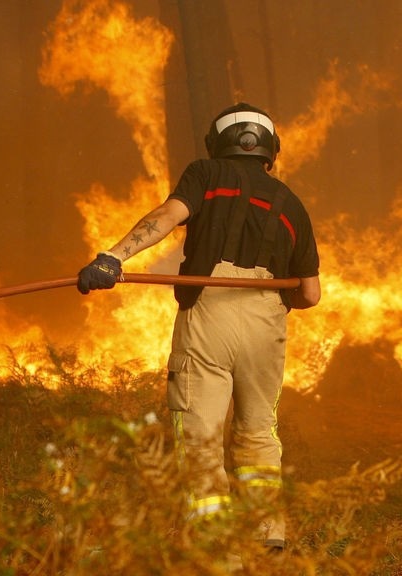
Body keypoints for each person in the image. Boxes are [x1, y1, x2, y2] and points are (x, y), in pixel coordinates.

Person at [76, 103, 320, 555]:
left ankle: (214, 543)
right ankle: (267, 532)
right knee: (258, 428)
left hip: (211, 311)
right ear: (269, 150)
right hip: (268, 322)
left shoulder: (206, 174)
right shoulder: (291, 203)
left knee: (201, 428)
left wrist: (113, 257)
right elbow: (310, 294)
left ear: (219, 143)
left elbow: (166, 217)